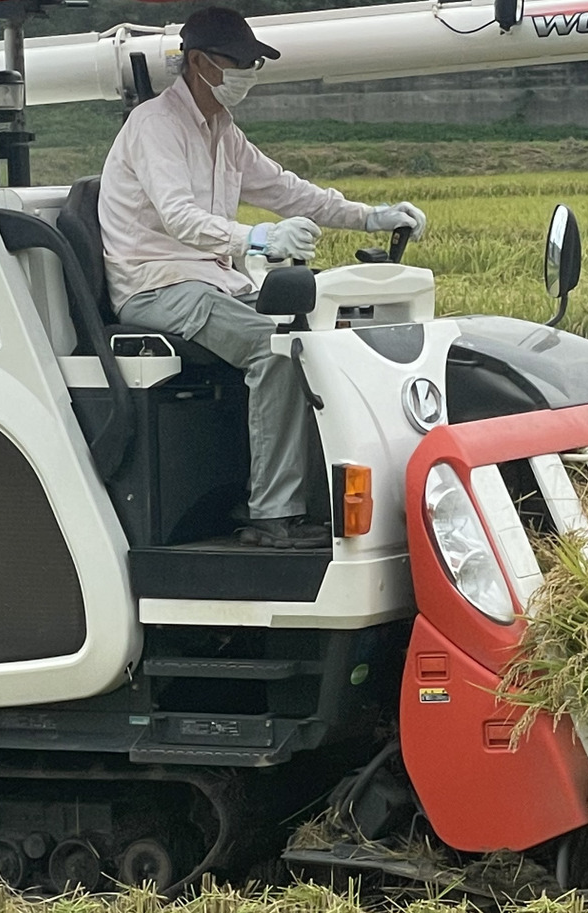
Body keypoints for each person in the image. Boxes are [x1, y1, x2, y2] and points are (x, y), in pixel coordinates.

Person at [99, 6, 427, 549]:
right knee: (275, 350)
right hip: (156, 285)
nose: (249, 72)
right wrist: (257, 238)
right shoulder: (155, 126)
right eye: (239, 62)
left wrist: (370, 215)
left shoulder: (222, 131)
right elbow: (179, 218)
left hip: (214, 281)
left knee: (317, 333)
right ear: (199, 62)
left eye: (254, 62)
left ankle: (324, 496)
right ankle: (272, 516)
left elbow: (287, 190)